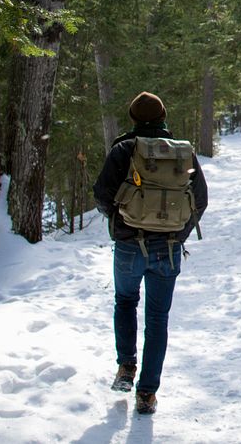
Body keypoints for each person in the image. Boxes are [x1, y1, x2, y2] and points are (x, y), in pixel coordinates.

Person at [93, 91, 208, 414]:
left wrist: (120, 222)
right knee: (158, 318)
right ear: (162, 117)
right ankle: (147, 393)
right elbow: (200, 200)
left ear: (133, 118)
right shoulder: (183, 152)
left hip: (130, 243)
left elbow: (102, 194)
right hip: (169, 247)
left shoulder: (123, 150)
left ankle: (126, 367)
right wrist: (179, 233)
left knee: (125, 301)